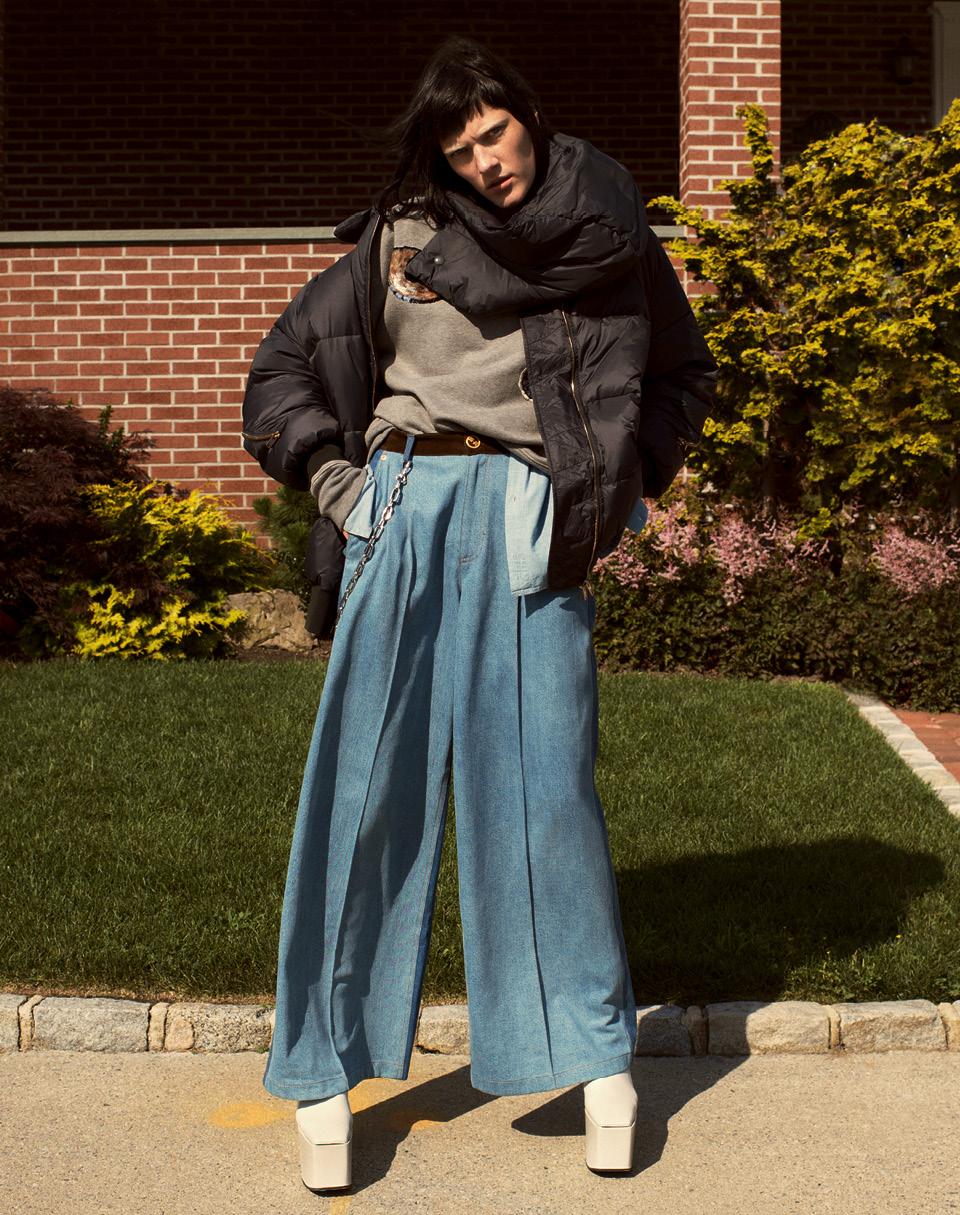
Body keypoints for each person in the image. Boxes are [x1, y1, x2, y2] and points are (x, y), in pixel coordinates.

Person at [241, 36, 718, 1192]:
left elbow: (681, 376)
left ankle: (590, 1060)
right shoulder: (403, 237)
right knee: (366, 794)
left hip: (528, 517)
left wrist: (612, 499)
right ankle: (323, 1068)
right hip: (404, 505)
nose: (486, 163)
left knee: (547, 798)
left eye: (494, 135)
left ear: (529, 118)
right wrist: (341, 487)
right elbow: (282, 368)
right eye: (460, 151)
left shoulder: (608, 233)